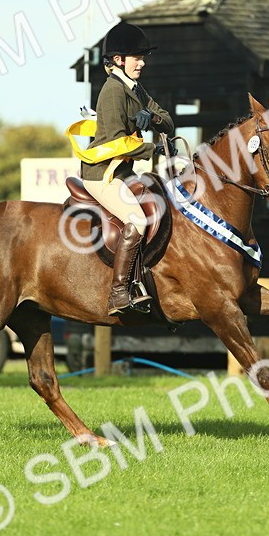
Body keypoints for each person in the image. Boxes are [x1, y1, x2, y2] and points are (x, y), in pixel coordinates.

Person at [79, 21, 174, 315]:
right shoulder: (113, 91)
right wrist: (153, 149)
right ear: (119, 60)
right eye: (137, 58)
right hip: (103, 173)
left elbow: (168, 120)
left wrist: (152, 118)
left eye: (142, 58)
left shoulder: (135, 88)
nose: (142, 63)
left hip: (122, 171)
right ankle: (118, 293)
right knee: (138, 220)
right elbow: (117, 143)